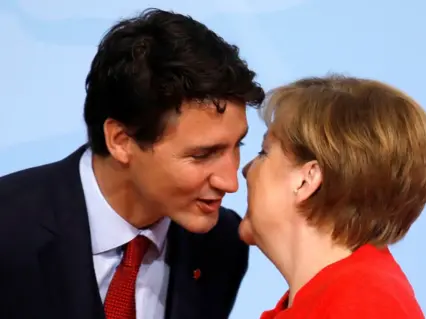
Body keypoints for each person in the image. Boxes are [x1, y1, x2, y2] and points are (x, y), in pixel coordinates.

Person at [0, 8, 264, 319]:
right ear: (121, 140)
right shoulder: (9, 227)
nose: (230, 182)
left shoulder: (222, 244)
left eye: (238, 146)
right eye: (203, 155)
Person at [239, 75, 426, 319]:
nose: (245, 169)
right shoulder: (349, 297)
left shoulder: (361, 307)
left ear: (307, 179)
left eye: (264, 152)